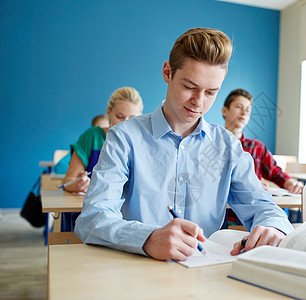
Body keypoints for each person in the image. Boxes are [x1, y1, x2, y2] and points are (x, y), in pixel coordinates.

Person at [74, 28, 293, 261]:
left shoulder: (228, 146)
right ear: (167, 72)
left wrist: (273, 227)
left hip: (206, 273)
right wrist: (147, 238)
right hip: (137, 269)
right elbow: (91, 218)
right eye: (189, 86)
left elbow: (264, 207)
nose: (198, 102)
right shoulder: (124, 137)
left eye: (211, 92)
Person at [60, 87, 143, 232]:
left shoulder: (142, 143)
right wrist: (78, 185)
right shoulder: (92, 136)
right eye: (120, 116)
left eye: (132, 118)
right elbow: (68, 181)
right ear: (109, 113)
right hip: (90, 218)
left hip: (127, 221)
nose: (125, 123)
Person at [222, 88, 303, 194]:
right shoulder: (213, 144)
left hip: (253, 208)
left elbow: (274, 172)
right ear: (225, 111)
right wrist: (250, 184)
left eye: (247, 110)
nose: (243, 113)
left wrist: (291, 183)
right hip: (223, 208)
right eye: (239, 107)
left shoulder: (257, 147)